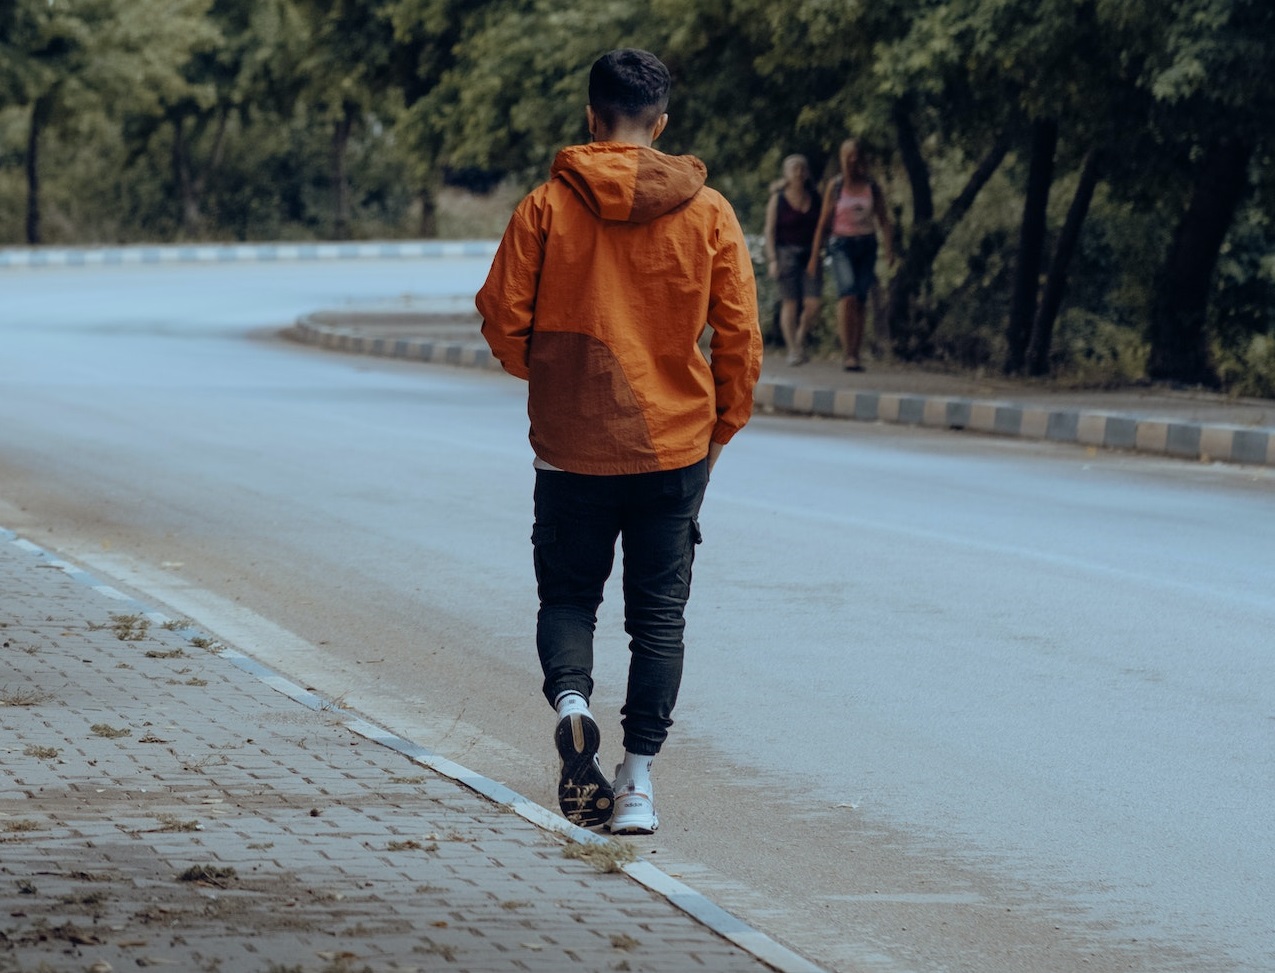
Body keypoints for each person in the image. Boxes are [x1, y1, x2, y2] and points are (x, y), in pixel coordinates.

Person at [475, 49, 762, 835]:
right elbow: (739, 337)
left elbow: (502, 314)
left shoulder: (545, 207)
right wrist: (719, 427)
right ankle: (635, 785)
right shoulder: (709, 213)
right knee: (658, 618)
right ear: (660, 123)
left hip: (571, 444)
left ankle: (572, 701)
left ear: (590, 116)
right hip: (674, 446)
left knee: (569, 596)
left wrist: (546, 375)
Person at [809, 138, 894, 371]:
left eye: (856, 155)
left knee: (861, 298)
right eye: (847, 155)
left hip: (867, 244)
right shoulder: (835, 186)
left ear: (862, 158)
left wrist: (889, 250)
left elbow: (884, 219)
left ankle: (856, 352)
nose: (851, 160)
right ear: (841, 158)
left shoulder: (871, 186)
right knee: (847, 294)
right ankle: (847, 352)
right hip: (841, 245)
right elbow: (823, 222)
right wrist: (814, 256)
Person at [763, 154, 823, 365]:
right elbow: (769, 231)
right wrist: (772, 260)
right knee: (790, 303)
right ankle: (793, 349)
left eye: (801, 169)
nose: (798, 173)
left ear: (806, 173)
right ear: (786, 174)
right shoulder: (777, 199)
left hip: (810, 254)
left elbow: (822, 227)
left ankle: (800, 337)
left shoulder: (815, 197)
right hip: (785, 253)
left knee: (813, 303)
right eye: (793, 169)